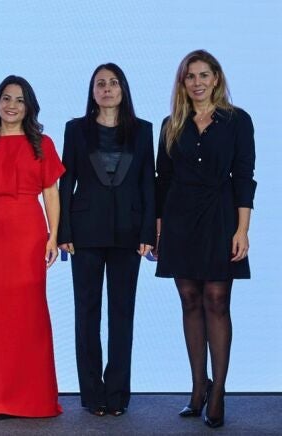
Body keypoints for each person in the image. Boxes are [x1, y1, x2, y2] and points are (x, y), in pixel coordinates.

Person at [155, 49, 255, 429]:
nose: (197, 82)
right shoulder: (171, 124)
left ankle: (218, 393)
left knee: (216, 299)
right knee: (189, 299)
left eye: (203, 75)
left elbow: (244, 176)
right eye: (190, 76)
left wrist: (242, 229)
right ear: (183, 83)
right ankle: (198, 387)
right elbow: (162, 180)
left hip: (219, 216)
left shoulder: (237, 120)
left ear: (216, 79)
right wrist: (158, 230)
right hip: (179, 219)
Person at [57, 64, 155, 417]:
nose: (107, 88)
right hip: (84, 233)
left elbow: (148, 183)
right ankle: (92, 394)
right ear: (93, 91)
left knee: (122, 315)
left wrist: (148, 232)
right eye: (100, 83)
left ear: (123, 89)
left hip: (129, 233)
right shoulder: (75, 129)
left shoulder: (143, 130)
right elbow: (66, 182)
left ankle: (117, 395)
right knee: (86, 314)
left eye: (114, 83)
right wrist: (63, 231)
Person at [0, 75, 63, 418]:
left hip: (29, 234)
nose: (11, 105)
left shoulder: (43, 144)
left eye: (19, 100)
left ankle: (33, 396)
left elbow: (51, 192)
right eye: (6, 98)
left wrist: (53, 235)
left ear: (28, 107)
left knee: (30, 313)